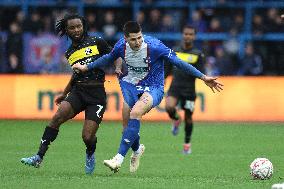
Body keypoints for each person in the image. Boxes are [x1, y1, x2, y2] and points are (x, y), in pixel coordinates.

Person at [72, 21, 223, 173]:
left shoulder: (155, 46)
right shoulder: (120, 46)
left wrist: (203, 77)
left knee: (136, 112)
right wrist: (85, 67)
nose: (137, 42)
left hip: (154, 87)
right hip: (131, 84)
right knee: (126, 126)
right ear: (125, 38)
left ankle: (118, 158)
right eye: (133, 39)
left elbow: (178, 62)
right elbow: (108, 58)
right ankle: (137, 150)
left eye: (139, 37)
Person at [20, 13, 113, 175]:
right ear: (66, 30)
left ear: (83, 26)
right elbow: (76, 75)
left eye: (79, 26)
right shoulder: (69, 53)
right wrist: (64, 94)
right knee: (57, 117)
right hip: (79, 92)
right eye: (72, 27)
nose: (76, 30)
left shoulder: (97, 41)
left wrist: (118, 68)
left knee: (87, 136)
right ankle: (38, 157)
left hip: (96, 95)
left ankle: (90, 153)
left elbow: (114, 55)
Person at [164, 25, 205, 155]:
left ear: (194, 36)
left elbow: (200, 72)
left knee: (188, 118)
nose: (188, 36)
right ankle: (176, 119)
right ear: (182, 35)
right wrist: (163, 78)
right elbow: (168, 68)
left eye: (190, 34)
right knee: (169, 107)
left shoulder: (198, 54)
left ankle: (187, 144)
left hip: (189, 91)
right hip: (175, 87)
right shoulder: (174, 50)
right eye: (186, 34)